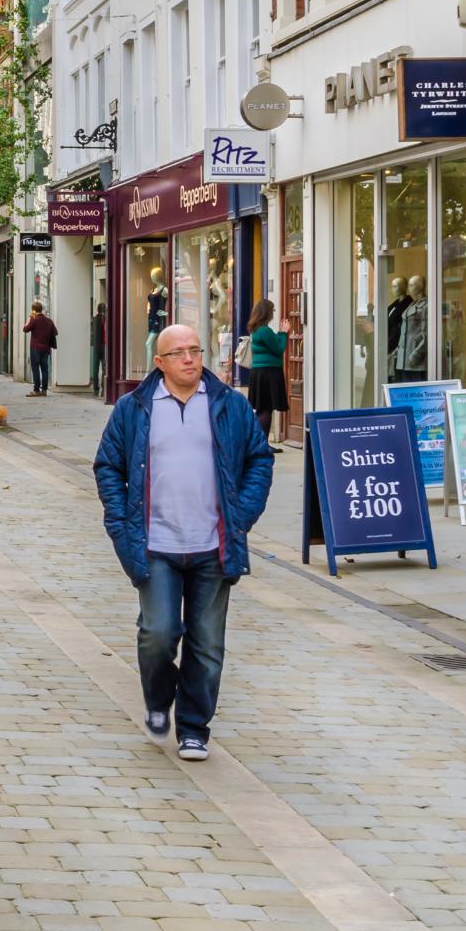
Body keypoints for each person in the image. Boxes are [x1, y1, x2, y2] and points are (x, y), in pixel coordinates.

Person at [93, 324, 274, 764]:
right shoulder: (133, 409)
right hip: (154, 542)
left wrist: (241, 515)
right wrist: (120, 525)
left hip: (214, 545)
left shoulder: (229, 405)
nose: (191, 359)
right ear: (160, 362)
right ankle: (158, 700)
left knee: (207, 643)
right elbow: (108, 468)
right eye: (179, 353)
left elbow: (259, 461)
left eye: (196, 350)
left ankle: (194, 728)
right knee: (158, 633)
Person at [245, 300, 288, 453]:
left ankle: (257, 444)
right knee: (266, 410)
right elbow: (278, 348)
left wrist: (278, 335)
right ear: (266, 312)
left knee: (262, 409)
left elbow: (271, 345)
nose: (273, 313)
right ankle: (262, 445)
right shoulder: (264, 330)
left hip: (259, 372)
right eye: (272, 310)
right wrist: (284, 332)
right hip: (268, 372)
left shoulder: (256, 330)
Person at [23, 301, 59, 396]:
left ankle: (36, 390)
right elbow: (55, 332)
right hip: (46, 348)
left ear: (33, 310)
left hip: (35, 348)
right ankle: (44, 390)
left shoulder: (34, 320)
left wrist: (29, 319)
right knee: (45, 369)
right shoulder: (49, 321)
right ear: (41, 309)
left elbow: (25, 329)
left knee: (35, 369)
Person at [89, 301, 109, 392]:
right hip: (105, 346)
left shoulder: (94, 319)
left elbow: (92, 333)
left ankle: (95, 389)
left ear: (97, 310)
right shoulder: (107, 319)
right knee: (105, 367)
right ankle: (104, 387)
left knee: (95, 368)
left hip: (96, 346)